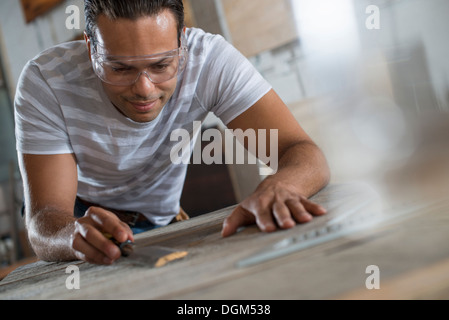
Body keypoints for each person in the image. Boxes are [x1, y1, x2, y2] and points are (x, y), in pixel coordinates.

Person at [14, 0, 330, 265]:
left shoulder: (210, 60)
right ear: (89, 46)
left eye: (162, 65)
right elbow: (45, 218)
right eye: (120, 68)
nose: (144, 89)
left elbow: (303, 153)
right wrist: (71, 235)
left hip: (160, 218)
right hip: (77, 216)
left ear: (182, 40)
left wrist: (280, 185)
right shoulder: (45, 82)